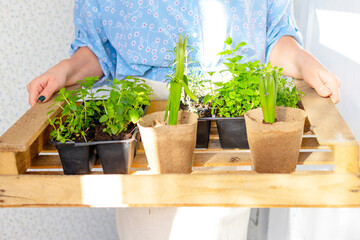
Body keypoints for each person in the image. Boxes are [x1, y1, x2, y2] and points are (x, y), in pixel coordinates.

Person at [26, 0, 341, 239]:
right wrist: (68, 69)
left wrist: (303, 60)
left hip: (226, 122)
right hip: (146, 123)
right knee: (150, 226)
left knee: (218, 227)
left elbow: (274, 37)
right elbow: (99, 50)